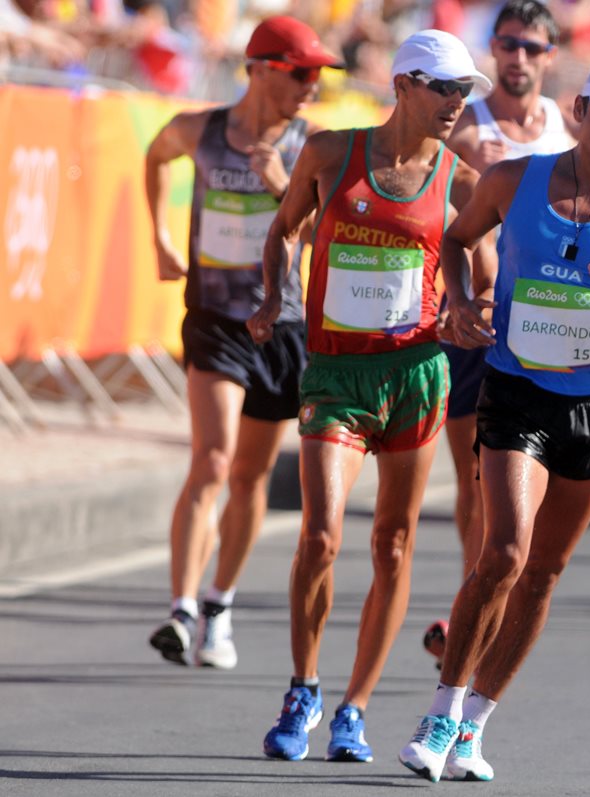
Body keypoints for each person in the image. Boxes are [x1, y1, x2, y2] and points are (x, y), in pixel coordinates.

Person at [398, 55, 590, 783]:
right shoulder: (512, 180)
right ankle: (440, 712)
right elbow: (457, 242)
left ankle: (476, 727)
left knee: (545, 572)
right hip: (516, 385)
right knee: (504, 552)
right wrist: (457, 304)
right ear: (581, 107)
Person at [246, 29, 491, 762]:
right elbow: (283, 228)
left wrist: (466, 310)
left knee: (393, 541)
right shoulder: (330, 153)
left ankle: (354, 706)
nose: (454, 102)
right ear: (404, 86)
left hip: (415, 372)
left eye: (464, 90)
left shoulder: (462, 180)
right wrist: (271, 297)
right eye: (442, 87)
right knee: (321, 534)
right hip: (334, 372)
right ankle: (304, 686)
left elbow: (479, 264)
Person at [143, 16, 341, 669]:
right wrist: (161, 238)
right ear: (259, 68)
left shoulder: (312, 144)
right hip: (213, 317)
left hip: (280, 324)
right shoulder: (202, 130)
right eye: (300, 72)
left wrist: (282, 186)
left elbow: (326, 236)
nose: (312, 85)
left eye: (318, 74)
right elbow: (155, 154)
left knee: (251, 474)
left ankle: (219, 600)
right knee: (213, 457)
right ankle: (179, 607)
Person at [442, 0, 572, 579]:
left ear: (551, 56)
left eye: (531, 47)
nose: (517, 57)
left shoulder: (563, 129)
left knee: (530, 476)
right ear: (491, 50)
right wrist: (468, 174)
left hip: (544, 317)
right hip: (479, 313)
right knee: (474, 474)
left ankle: (496, 588)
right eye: (507, 44)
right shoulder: (465, 127)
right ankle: (468, 601)